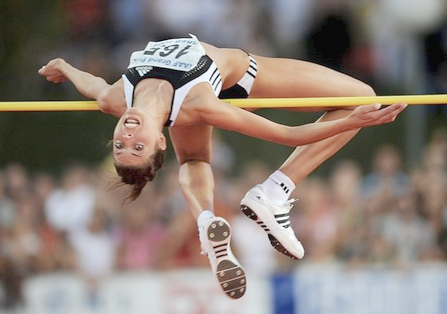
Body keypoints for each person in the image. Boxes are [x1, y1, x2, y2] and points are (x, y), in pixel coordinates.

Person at [38, 34, 407, 299]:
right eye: (138, 147)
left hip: (197, 95)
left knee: (196, 159)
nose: (129, 134)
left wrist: (65, 67)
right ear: (160, 141)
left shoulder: (114, 98)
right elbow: (289, 134)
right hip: (243, 79)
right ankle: (275, 191)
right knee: (364, 98)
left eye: (121, 144)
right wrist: (354, 121)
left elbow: (92, 83)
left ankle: (205, 222)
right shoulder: (199, 106)